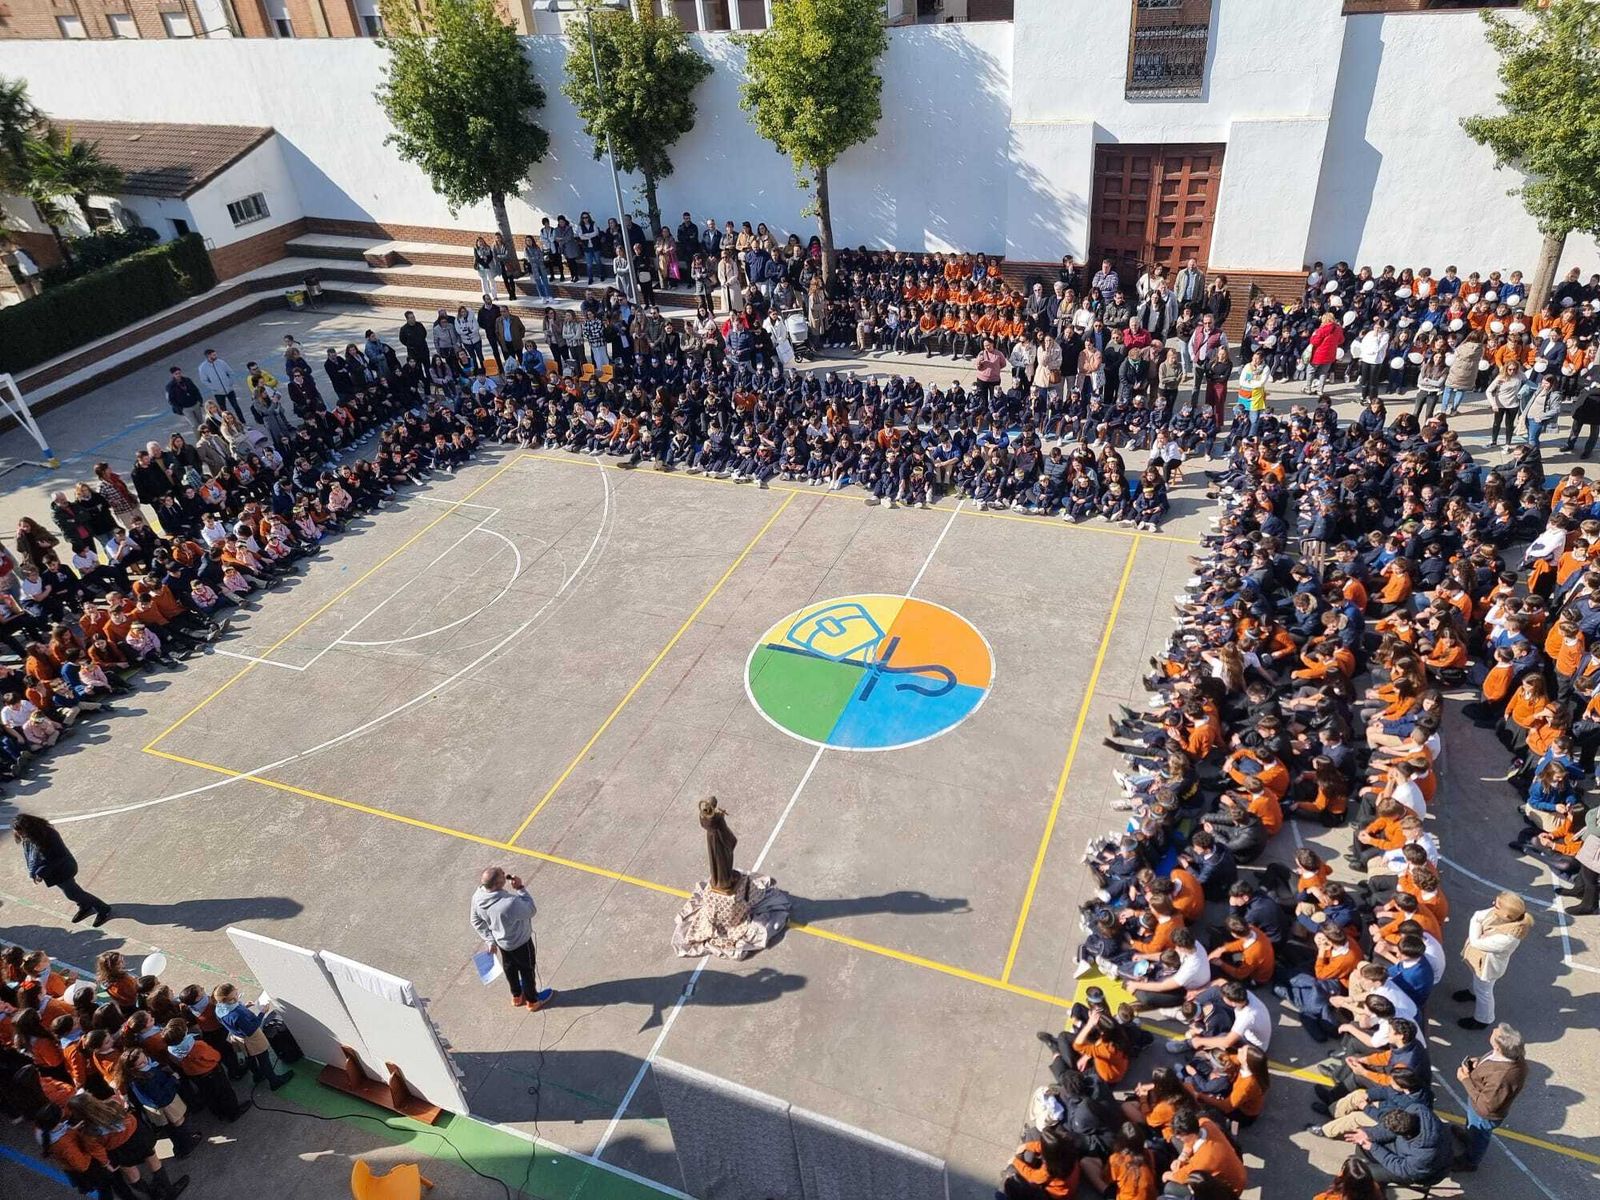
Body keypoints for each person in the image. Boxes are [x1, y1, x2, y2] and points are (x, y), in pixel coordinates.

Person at [471, 866, 552, 1010]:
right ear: (497, 884)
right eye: (502, 875)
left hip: (502, 943)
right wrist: (520, 888)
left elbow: (475, 920)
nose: (504, 873)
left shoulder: (478, 897)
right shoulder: (509, 903)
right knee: (527, 971)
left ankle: (517, 995)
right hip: (521, 943)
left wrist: (490, 940)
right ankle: (533, 1001)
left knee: (510, 969)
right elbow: (530, 910)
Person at [12, 813, 112, 926]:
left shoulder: (48, 835)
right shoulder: (32, 836)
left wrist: (40, 872)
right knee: (73, 892)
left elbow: (59, 857)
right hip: (53, 872)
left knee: (73, 894)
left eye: (21, 832)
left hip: (63, 869)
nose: (20, 835)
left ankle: (103, 908)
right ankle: (85, 906)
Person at [1452, 891, 1532, 1029]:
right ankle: (1472, 993)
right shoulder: (1503, 915)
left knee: (1485, 992)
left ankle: (1483, 1019)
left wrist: (1476, 921)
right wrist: (1478, 921)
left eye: (1497, 905)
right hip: (1481, 961)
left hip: (1488, 967)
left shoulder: (1508, 938)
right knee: (1478, 982)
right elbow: (1481, 915)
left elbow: (1476, 939)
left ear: (1506, 915)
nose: (1493, 905)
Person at [1454, 1022, 1528, 1171]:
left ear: (1498, 1047)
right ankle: (1468, 1135)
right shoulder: (1509, 1055)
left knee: (1479, 1137)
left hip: (1484, 1114)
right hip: (1477, 1104)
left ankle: (1470, 1161)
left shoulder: (1503, 1076)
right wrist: (1478, 1063)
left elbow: (1485, 1106)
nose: (1494, 1030)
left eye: (1496, 1033)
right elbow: (1492, 1060)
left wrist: (1465, 1080)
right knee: (1472, 1128)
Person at [196, 349, 244, 423]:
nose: (216, 356)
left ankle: (243, 422)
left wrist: (230, 382)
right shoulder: (203, 368)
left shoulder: (221, 362)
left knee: (236, 406)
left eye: (215, 354)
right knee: (223, 410)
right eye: (214, 355)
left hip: (229, 389)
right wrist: (214, 387)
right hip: (218, 393)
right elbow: (204, 380)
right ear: (208, 356)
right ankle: (229, 424)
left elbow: (230, 372)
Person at [164, 366, 204, 431]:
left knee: (201, 423)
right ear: (173, 375)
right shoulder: (170, 386)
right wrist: (180, 409)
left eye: (179, 373)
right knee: (194, 425)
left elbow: (196, 390)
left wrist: (199, 401)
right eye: (176, 374)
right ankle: (199, 439)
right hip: (185, 408)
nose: (178, 375)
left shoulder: (187, 380)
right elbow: (170, 400)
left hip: (195, 404)